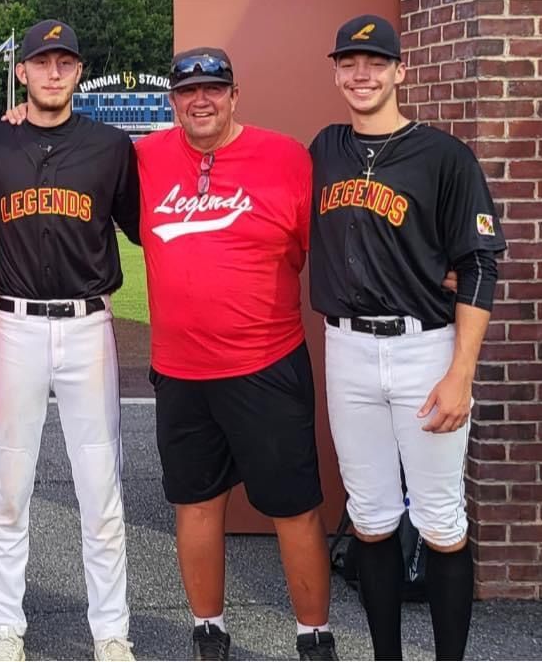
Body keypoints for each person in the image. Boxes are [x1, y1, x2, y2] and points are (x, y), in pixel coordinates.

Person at [310, 15, 506, 661]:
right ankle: (385, 656)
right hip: (346, 348)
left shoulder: (444, 155)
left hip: (425, 347)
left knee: (440, 520)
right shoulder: (325, 149)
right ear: (336, 71)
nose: (360, 74)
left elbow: (478, 261)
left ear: (400, 70)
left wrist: (460, 374)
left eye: (374, 61)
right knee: (369, 518)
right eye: (348, 62)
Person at [135, 48, 337, 661]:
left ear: (234, 94)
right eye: (187, 91)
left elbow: (318, 244)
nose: (201, 100)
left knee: (295, 506)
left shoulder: (285, 157)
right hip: (180, 369)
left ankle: (313, 634)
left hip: (267, 363)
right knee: (195, 503)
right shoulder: (142, 158)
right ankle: (209, 629)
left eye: (213, 89)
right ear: (171, 100)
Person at [0, 19, 140, 662]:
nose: (54, 72)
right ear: (22, 73)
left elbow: (145, 227)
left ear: (79, 71)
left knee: (101, 486)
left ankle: (111, 631)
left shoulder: (111, 146)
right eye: (43, 62)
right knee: (9, 484)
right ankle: (5, 624)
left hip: (89, 324)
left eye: (65, 61)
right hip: (13, 326)